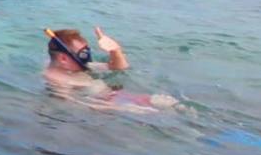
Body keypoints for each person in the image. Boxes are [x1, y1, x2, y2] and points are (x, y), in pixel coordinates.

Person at [44, 26, 176, 112]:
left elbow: (119, 68)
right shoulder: (57, 80)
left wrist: (115, 51)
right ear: (63, 59)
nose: (88, 58)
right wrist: (119, 108)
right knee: (159, 114)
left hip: (116, 96)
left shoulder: (76, 66)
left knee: (171, 104)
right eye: (83, 55)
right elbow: (71, 104)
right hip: (107, 105)